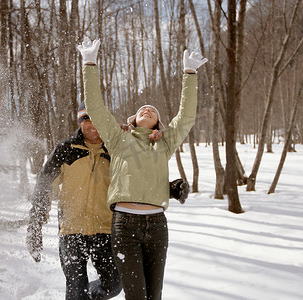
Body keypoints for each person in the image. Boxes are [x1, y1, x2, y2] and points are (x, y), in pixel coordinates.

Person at [77, 38, 207, 300]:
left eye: (152, 110)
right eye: (141, 109)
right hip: (125, 225)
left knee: (154, 296)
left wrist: (189, 74)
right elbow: (96, 109)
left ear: (157, 123)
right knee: (136, 296)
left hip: (158, 225)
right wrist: (89, 64)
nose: (147, 109)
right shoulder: (118, 138)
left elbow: (186, 117)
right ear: (134, 120)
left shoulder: (164, 144)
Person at [26, 102, 122, 300]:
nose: (92, 123)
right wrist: (35, 225)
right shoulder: (66, 148)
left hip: (104, 230)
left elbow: (136, 179)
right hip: (71, 231)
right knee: (76, 289)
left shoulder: (115, 151)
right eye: (86, 118)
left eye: (96, 117)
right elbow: (45, 185)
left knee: (114, 284)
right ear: (80, 122)